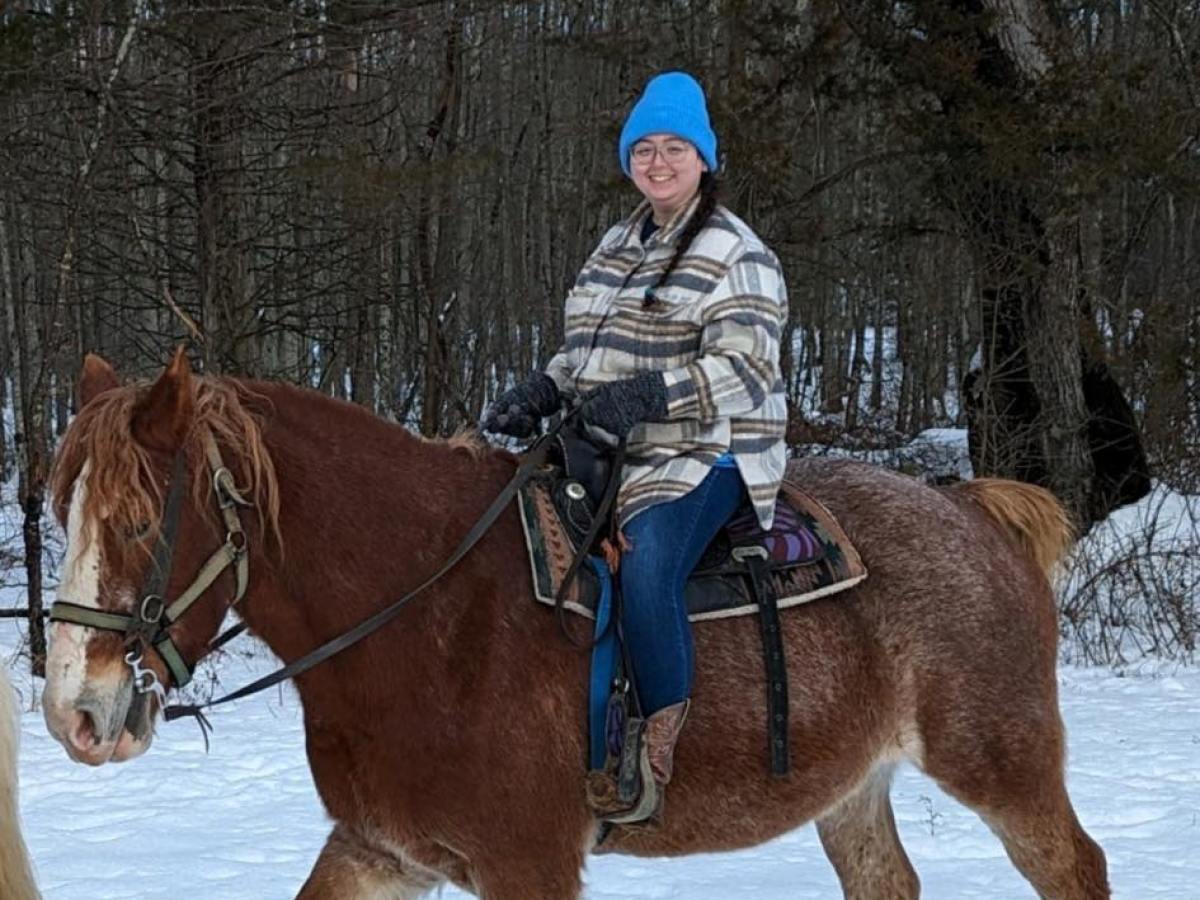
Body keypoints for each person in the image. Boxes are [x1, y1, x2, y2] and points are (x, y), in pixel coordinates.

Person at [484, 71, 788, 823]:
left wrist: (652, 396)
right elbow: (588, 353)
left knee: (646, 560)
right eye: (644, 148)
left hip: (707, 447)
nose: (658, 162)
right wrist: (545, 389)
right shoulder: (616, 244)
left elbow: (748, 371)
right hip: (609, 442)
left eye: (675, 148)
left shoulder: (736, 253)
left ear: (703, 158)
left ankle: (654, 744)